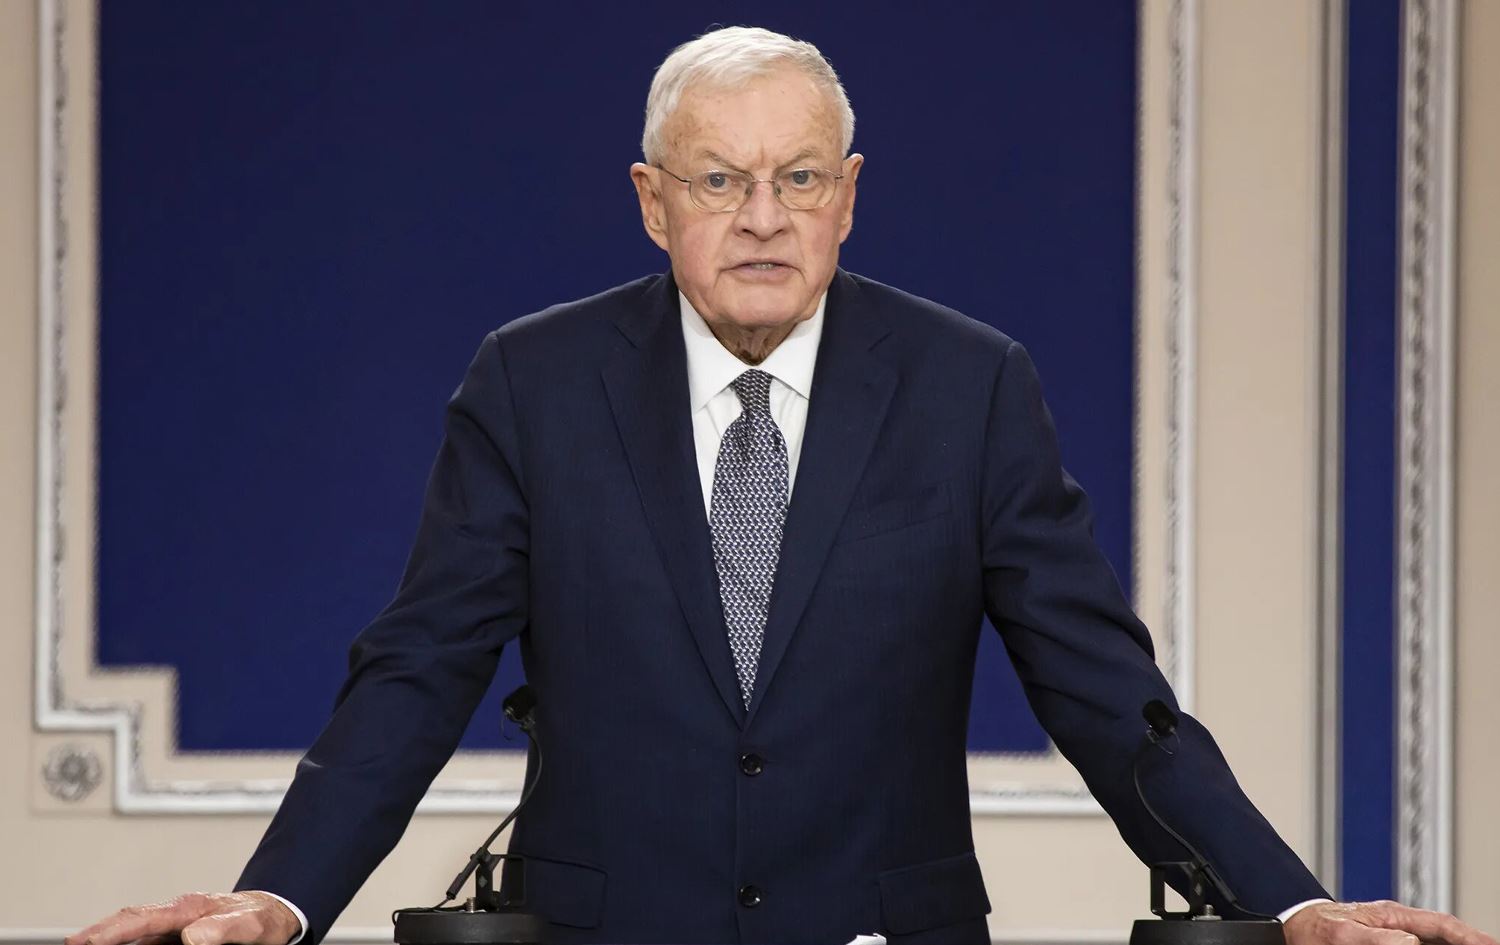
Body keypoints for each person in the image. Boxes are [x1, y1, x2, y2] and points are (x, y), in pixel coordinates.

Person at [69, 25, 1495, 945]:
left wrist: (1289, 904)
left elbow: (1107, 697)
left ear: (849, 194)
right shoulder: (533, 382)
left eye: (799, 179)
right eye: (720, 181)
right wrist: (278, 896)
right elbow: (416, 673)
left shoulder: (969, 385)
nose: (763, 218)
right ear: (652, 201)